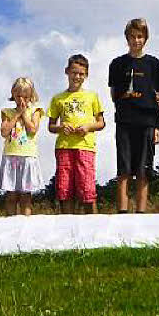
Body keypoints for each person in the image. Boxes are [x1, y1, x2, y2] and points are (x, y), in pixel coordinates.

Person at [108, 18, 159, 214]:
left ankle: (141, 212)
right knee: (123, 168)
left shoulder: (154, 64)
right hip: (124, 121)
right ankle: (123, 211)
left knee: (144, 168)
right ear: (127, 38)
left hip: (147, 122)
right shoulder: (117, 64)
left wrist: (158, 127)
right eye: (132, 36)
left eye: (140, 36)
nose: (136, 40)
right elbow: (114, 93)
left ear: (146, 38)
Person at [48, 55, 105, 214]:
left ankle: (92, 228)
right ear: (67, 72)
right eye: (74, 72)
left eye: (81, 74)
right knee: (64, 190)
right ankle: (67, 229)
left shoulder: (92, 96)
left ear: (86, 75)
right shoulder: (57, 98)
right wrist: (61, 128)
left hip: (85, 147)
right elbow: (51, 126)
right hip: (64, 148)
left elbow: (101, 123)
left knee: (87, 189)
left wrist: (88, 127)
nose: (77, 77)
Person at [0, 77, 44, 216]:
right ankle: (10, 223)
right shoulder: (7, 112)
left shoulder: (36, 110)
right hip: (11, 156)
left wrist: (24, 113)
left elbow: (32, 130)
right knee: (11, 195)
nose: (22, 99)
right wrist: (17, 114)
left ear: (31, 95)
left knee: (25, 196)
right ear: (13, 94)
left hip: (28, 156)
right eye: (18, 95)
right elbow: (4, 132)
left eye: (25, 96)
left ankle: (26, 225)